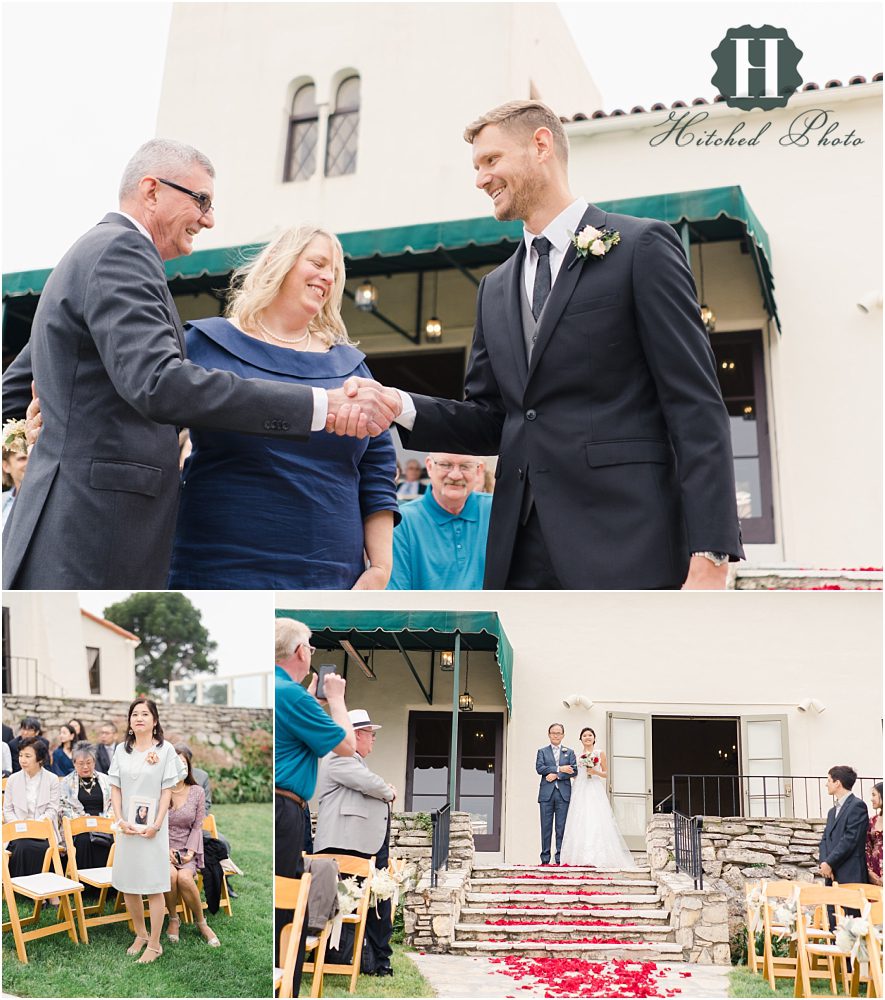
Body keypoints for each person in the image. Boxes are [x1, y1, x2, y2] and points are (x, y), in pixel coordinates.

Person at [342, 99, 743, 589]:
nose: (480, 179)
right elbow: (493, 420)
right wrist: (399, 405)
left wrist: (711, 551)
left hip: (630, 540)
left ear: (541, 145)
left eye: (491, 161)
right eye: (476, 167)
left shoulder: (641, 248)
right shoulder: (495, 288)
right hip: (521, 552)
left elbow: (695, 404)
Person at [1, 138, 399, 590]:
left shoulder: (104, 253)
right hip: (97, 530)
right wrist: (318, 407)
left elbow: (25, 384)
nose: (209, 218)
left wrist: (42, 427)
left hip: (103, 531)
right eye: (201, 200)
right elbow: (159, 383)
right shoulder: (122, 254)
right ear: (152, 191)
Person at [167, 224, 400, 589]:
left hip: (330, 573)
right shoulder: (206, 344)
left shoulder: (351, 367)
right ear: (278, 261)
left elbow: (378, 467)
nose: (327, 276)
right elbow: (145, 410)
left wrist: (380, 569)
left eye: (335, 272)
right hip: (217, 565)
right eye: (318, 262)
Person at [275, 617, 356, 994]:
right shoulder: (289, 695)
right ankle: (283, 984)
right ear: (300, 652)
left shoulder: (283, 691)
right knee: (288, 900)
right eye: (310, 647)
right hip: (284, 809)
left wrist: (308, 699)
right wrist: (337, 699)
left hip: (278, 807)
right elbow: (346, 745)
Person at [315, 709, 397, 976]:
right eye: (371, 734)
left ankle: (374, 959)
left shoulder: (353, 759)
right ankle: (350, 958)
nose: (373, 740)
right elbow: (367, 783)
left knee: (376, 904)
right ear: (357, 734)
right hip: (347, 844)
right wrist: (389, 791)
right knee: (349, 903)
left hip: (363, 844)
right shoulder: (340, 756)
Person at [109, 696, 185, 964]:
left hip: (154, 828)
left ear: (154, 720)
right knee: (129, 884)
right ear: (130, 722)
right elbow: (115, 787)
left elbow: (167, 792)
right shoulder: (121, 750)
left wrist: (156, 824)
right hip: (127, 827)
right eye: (134, 714)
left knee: (154, 884)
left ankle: (155, 943)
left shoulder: (165, 750)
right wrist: (120, 819)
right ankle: (140, 934)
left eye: (144, 714)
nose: (138, 718)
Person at [388, 453, 492, 590]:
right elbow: (396, 599)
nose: (455, 475)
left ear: (478, 471)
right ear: (429, 466)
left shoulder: (498, 512)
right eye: (445, 465)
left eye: (465, 466)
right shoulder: (402, 522)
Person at [164, 746, 219, 947]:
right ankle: (173, 919)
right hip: (163, 848)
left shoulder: (196, 792)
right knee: (170, 876)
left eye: (184, 763)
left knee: (185, 878)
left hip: (188, 847)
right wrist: (165, 849)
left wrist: (191, 852)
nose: (180, 767)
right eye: (176, 763)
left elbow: (197, 827)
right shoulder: (162, 791)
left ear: (189, 767)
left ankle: (201, 922)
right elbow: (156, 825)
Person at [559, 727, 636, 868]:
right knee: (579, 819)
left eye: (590, 735)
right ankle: (579, 857)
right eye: (584, 735)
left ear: (594, 738)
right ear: (580, 739)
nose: (587, 737)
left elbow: (607, 773)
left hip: (594, 788)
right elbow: (575, 773)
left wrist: (595, 772)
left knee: (596, 818)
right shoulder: (576, 755)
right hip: (580, 788)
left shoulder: (600, 753)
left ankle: (598, 856)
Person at [3, 737, 61, 877]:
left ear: (40, 759)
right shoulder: (13, 779)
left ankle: (46, 885)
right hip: (18, 829)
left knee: (44, 847)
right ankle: (23, 883)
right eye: (21, 755)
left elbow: (52, 809)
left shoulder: (52, 779)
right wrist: (19, 825)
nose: (22, 760)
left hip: (43, 829)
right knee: (22, 844)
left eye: (28, 756)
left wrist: (37, 825)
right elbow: (8, 809)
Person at [59, 742, 114, 871]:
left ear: (94, 762)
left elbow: (113, 804)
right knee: (84, 840)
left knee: (108, 840)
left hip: (104, 824)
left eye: (89, 763)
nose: (85, 767)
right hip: (79, 826)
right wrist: (84, 821)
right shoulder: (66, 783)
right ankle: (86, 887)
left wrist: (103, 821)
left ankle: (107, 887)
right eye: (81, 763)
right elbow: (63, 808)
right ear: (74, 763)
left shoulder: (106, 780)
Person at [819, 765, 870, 885]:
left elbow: (850, 839)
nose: (827, 784)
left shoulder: (857, 806)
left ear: (837, 783)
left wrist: (829, 863)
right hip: (830, 874)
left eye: (829, 780)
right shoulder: (832, 812)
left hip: (850, 874)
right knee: (830, 904)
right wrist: (824, 864)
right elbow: (825, 839)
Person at [535, 723, 576, 866]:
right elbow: (540, 768)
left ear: (563, 735)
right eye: (553, 733)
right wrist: (560, 768)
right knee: (545, 827)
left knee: (561, 827)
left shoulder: (569, 752)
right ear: (549, 734)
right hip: (546, 794)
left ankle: (560, 858)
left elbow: (574, 771)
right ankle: (545, 859)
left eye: (559, 733)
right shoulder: (542, 751)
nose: (556, 735)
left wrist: (556, 775)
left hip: (563, 794)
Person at [2, 420, 28, 528]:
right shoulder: (3, 500)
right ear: (6, 466)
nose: (30, 463)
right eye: (22, 459)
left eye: (34, 457)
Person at [866, 781, 882, 886]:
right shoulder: (872, 821)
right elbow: (866, 847)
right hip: (874, 876)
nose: (871, 799)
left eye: (874, 795)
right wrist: (869, 872)